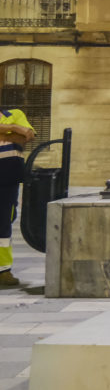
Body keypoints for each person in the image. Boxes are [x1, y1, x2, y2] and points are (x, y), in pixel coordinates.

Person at [0, 108, 33, 287]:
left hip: (7, 176)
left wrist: (11, 131)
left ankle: (3, 270)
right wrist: (12, 128)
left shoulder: (15, 113)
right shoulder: (13, 121)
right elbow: (18, 135)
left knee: (4, 221)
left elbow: (25, 138)